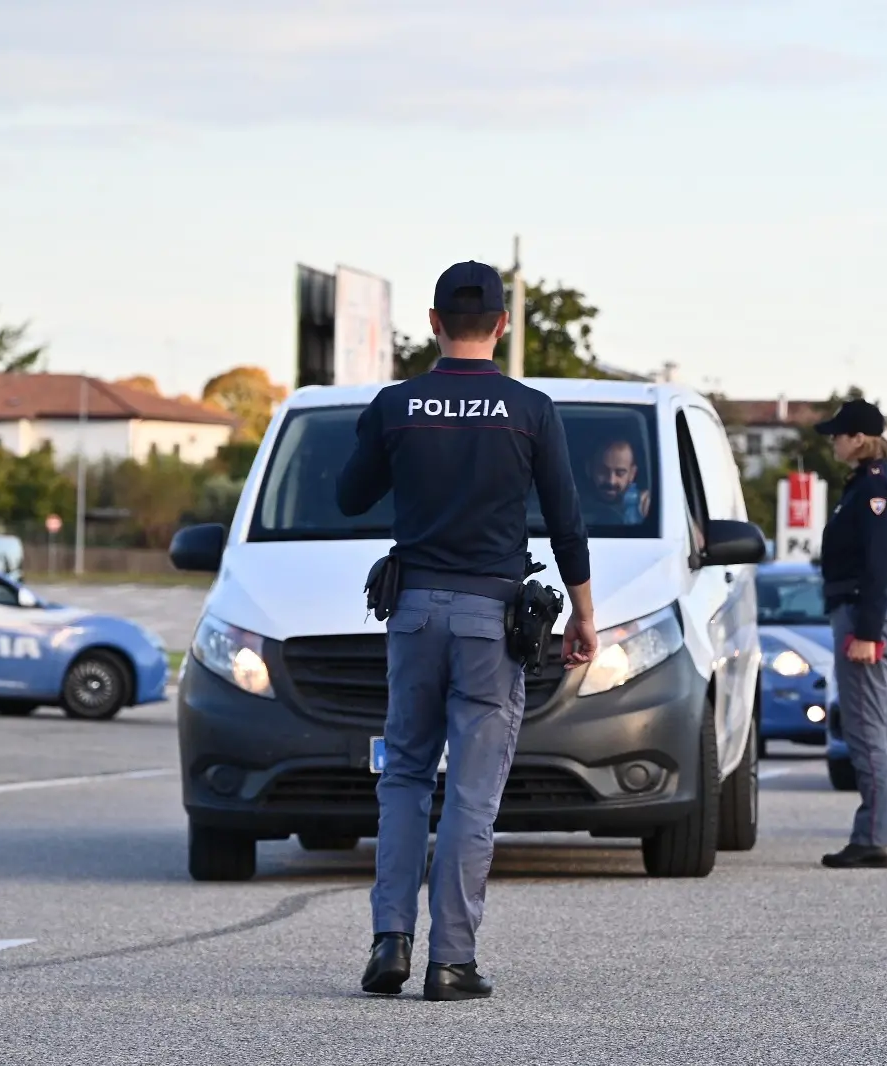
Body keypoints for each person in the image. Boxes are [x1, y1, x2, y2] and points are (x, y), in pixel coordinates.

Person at [336, 261, 599, 1001]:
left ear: (433, 322)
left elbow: (351, 496)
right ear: (503, 325)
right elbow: (567, 522)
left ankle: (390, 940)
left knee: (405, 776)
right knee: (473, 793)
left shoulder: (397, 405)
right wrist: (583, 614)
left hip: (414, 612)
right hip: (490, 621)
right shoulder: (531, 410)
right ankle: (450, 962)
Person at [814, 398, 887, 870]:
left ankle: (875, 836)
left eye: (838, 435)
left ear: (858, 439)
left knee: (866, 729)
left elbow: (877, 561)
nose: (833, 442)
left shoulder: (872, 488)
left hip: (865, 612)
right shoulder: (871, 483)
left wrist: (868, 631)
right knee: (882, 732)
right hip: (870, 610)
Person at [583, 438, 651, 525]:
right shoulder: (571, 505)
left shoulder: (640, 506)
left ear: (632, 474)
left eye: (620, 473)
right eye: (603, 471)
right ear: (589, 469)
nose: (611, 481)